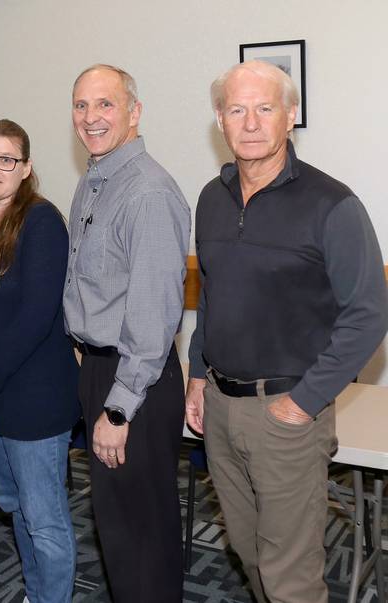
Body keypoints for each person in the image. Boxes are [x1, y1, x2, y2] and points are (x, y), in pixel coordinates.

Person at [185, 60, 388, 603]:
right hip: (221, 412)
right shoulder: (211, 198)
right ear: (220, 122)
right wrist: (197, 375)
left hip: (287, 415)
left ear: (290, 116)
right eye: (236, 110)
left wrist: (304, 402)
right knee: (250, 555)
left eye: (265, 108)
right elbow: (212, 293)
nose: (250, 123)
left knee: (291, 577)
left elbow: (368, 313)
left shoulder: (333, 205)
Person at [62, 64, 191, 602]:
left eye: (105, 104)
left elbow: (153, 313)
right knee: (116, 524)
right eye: (81, 106)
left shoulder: (148, 192)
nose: (91, 118)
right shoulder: (96, 180)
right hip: (101, 371)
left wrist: (118, 410)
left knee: (143, 530)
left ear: (134, 112)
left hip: (134, 382)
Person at [0, 119, 81, 603]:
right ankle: (37, 593)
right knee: (14, 506)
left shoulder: (42, 222)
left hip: (35, 399)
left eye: (6, 160)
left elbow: (36, 317)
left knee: (44, 518)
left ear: (25, 168)